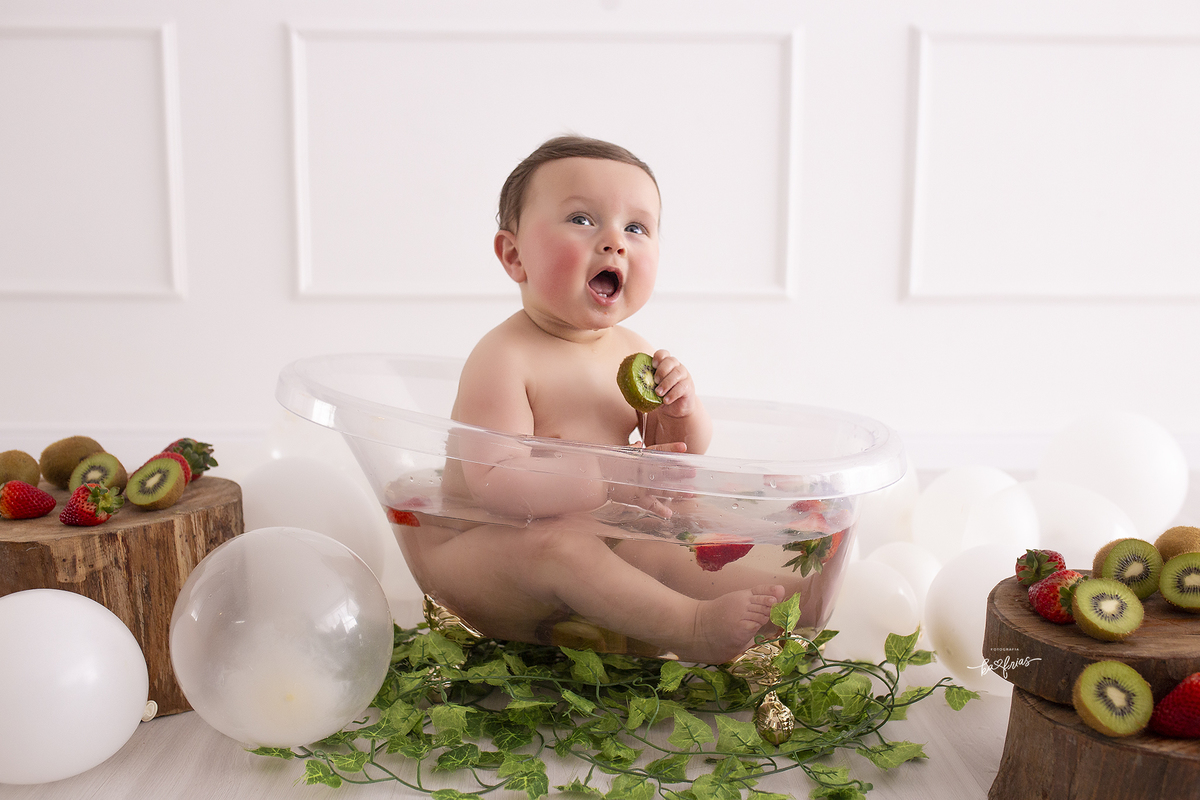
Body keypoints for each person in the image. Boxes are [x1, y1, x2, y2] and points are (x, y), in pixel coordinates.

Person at [394, 136, 784, 663]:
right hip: (485, 561)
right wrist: (609, 477)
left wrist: (679, 414)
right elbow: (497, 486)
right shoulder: (505, 357)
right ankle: (692, 628)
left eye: (636, 227)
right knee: (560, 549)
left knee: (657, 552)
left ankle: (793, 608)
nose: (614, 242)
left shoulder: (635, 352)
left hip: (593, 540)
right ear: (514, 255)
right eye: (582, 219)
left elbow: (673, 460)